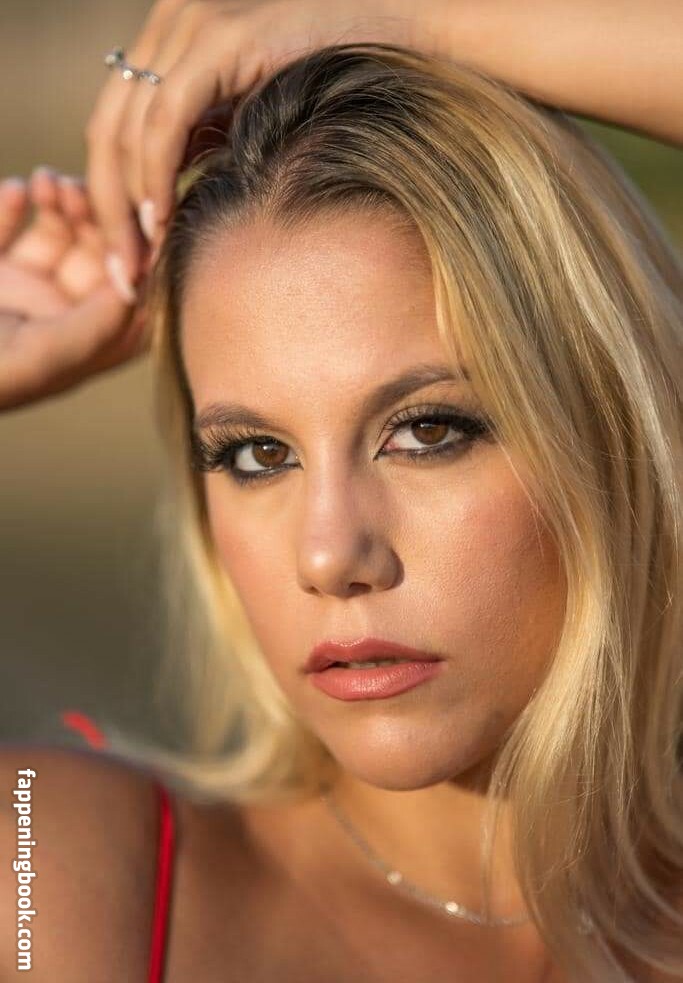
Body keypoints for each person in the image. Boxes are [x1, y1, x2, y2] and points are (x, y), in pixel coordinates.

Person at [0, 4, 681, 983]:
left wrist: (411, 16)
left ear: (609, 423)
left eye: (426, 432)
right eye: (256, 453)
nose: (328, 554)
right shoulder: (56, 878)